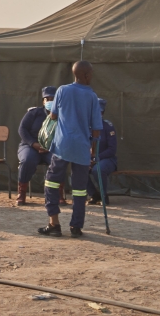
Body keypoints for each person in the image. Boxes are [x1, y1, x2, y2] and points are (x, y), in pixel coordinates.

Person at [38, 61, 102, 238]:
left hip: (62, 146)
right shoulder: (92, 97)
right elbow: (96, 128)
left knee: (51, 182)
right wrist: (93, 151)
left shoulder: (62, 90)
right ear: (87, 75)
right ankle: (76, 227)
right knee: (80, 189)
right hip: (81, 148)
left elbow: (53, 116)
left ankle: (54, 223)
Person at [16, 87, 56, 206]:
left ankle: (55, 194)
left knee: (58, 160)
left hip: (51, 148)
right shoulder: (34, 113)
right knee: (27, 160)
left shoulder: (62, 115)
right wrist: (34, 144)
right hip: (30, 146)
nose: (49, 101)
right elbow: (22, 130)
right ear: (43, 101)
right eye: (47, 99)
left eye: (52, 99)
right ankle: (21, 193)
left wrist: (50, 146)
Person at [88, 98, 117, 205]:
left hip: (106, 159)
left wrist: (96, 158)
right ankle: (94, 195)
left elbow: (112, 150)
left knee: (97, 170)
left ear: (103, 112)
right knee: (79, 169)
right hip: (89, 159)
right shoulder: (86, 126)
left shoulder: (107, 127)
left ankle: (104, 195)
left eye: (99, 111)